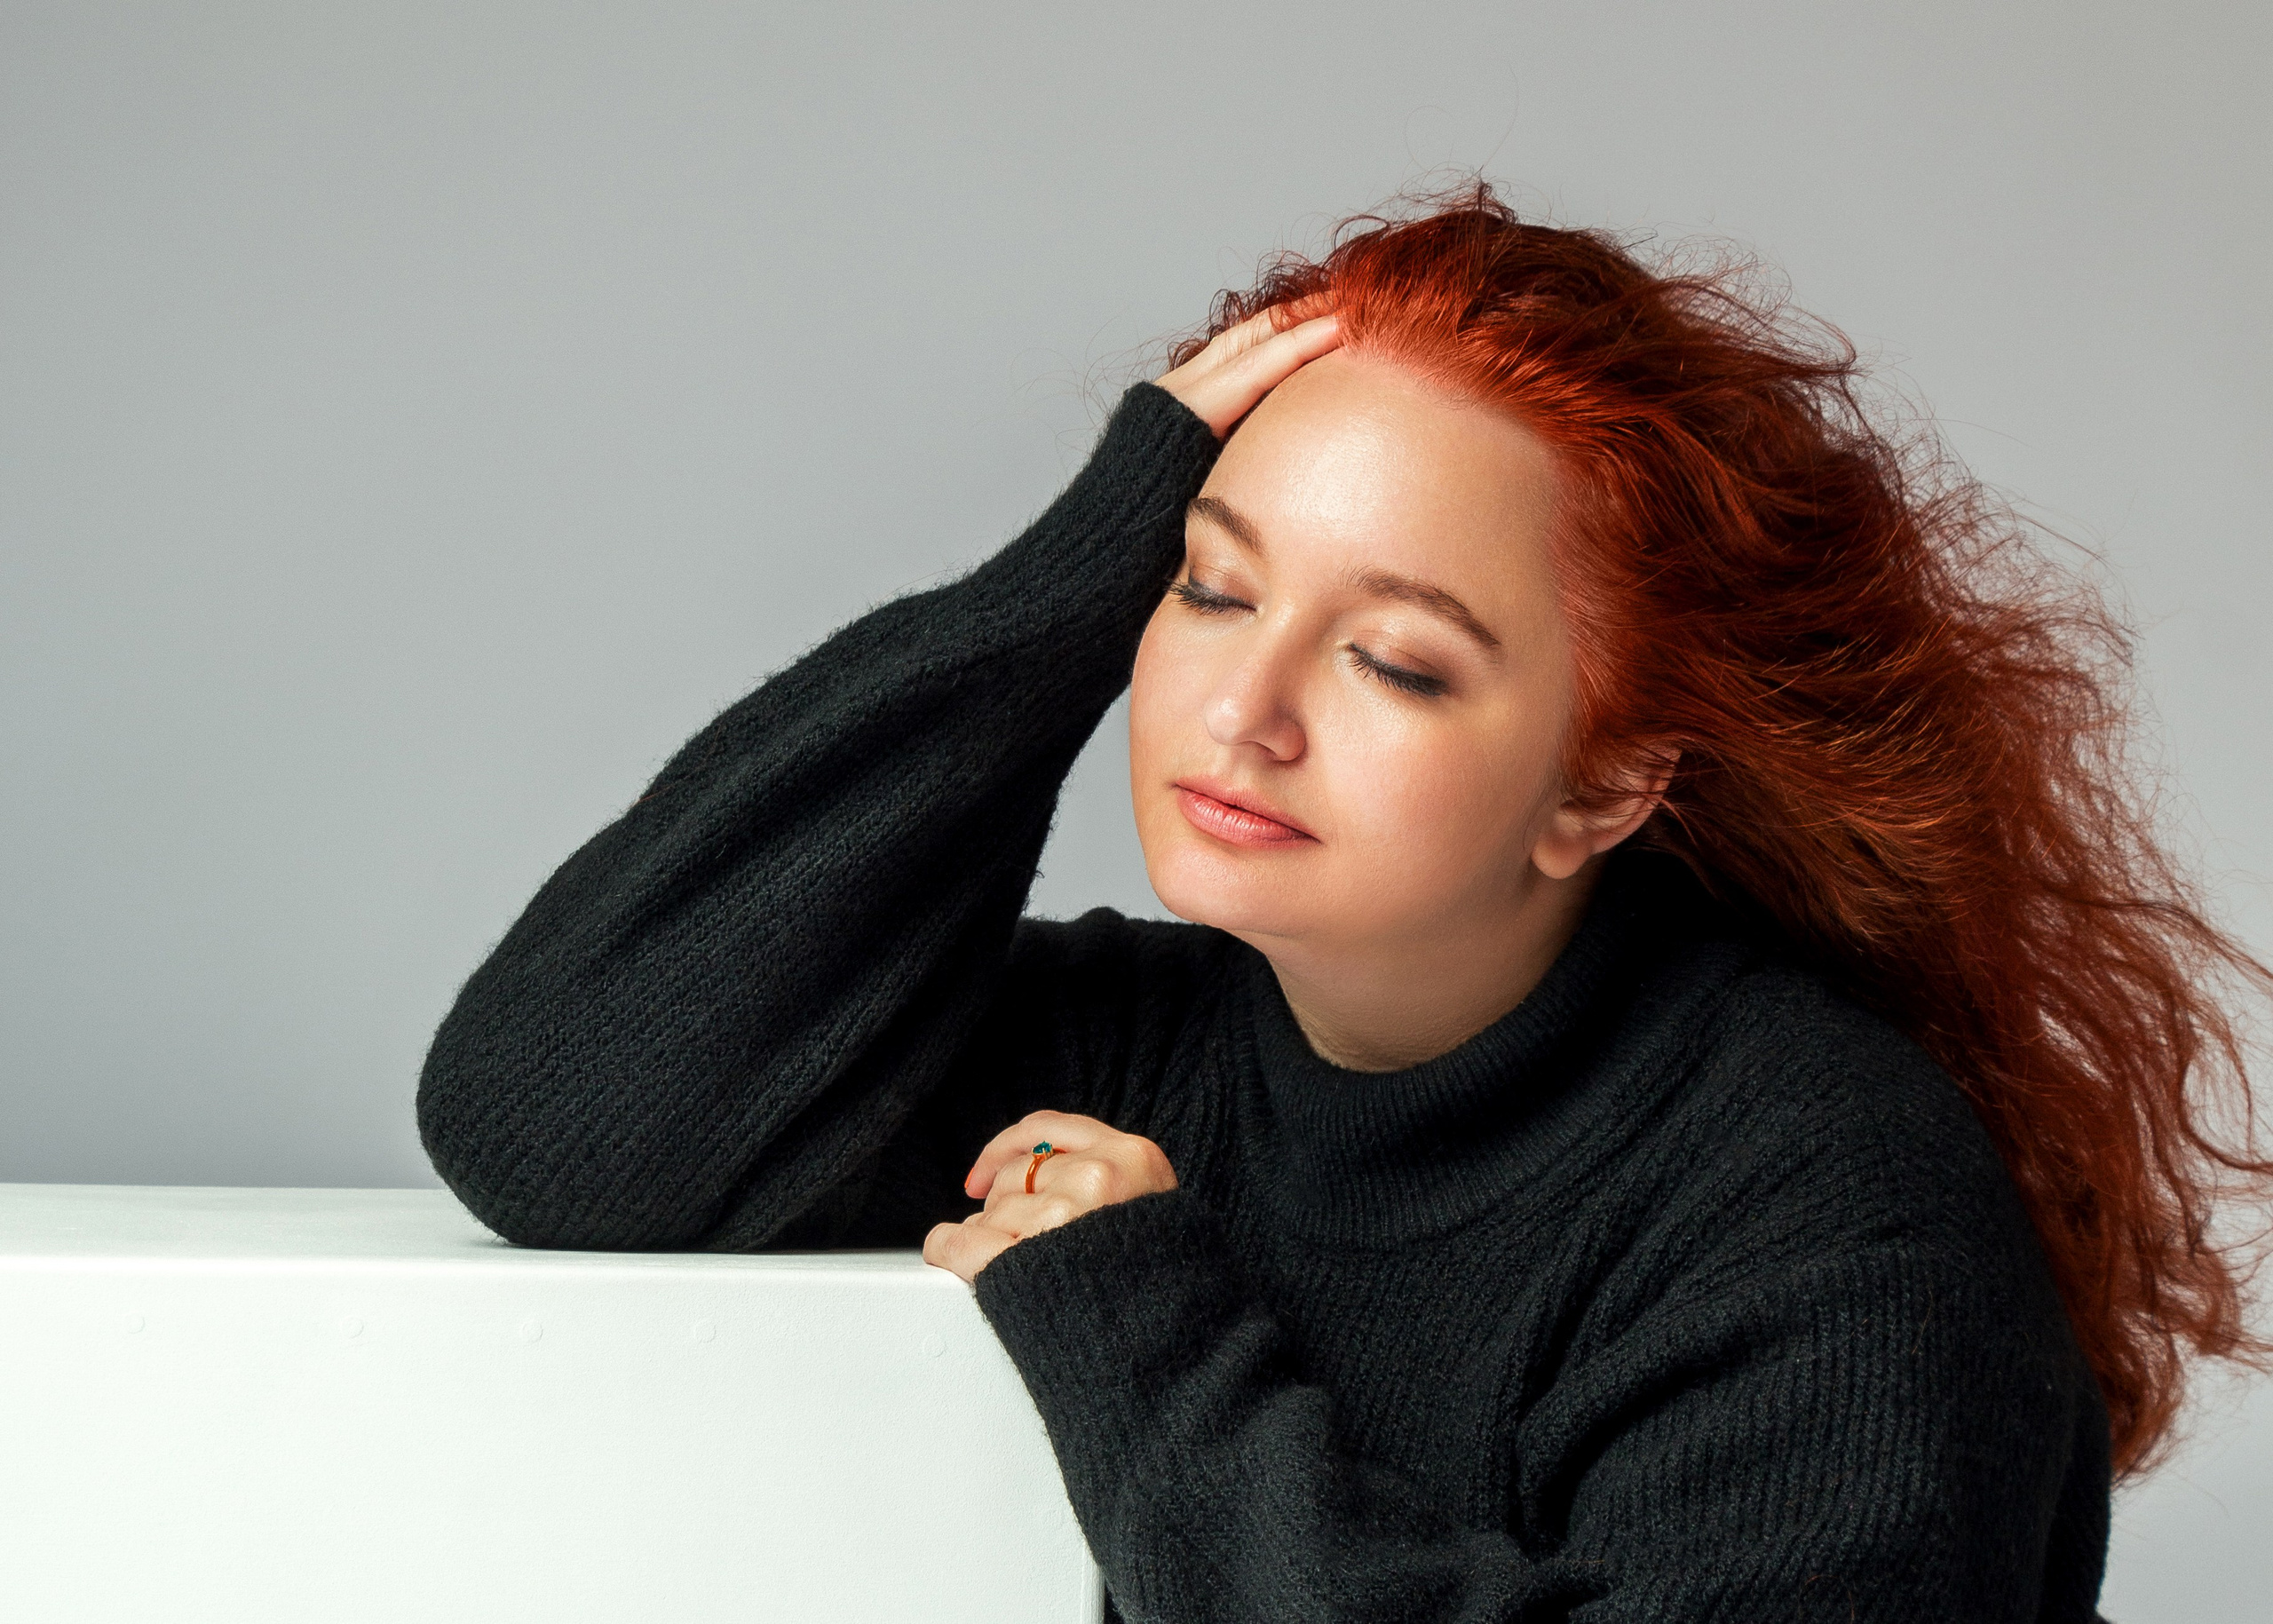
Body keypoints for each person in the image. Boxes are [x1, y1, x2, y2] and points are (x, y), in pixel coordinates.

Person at [416, 186, 2272, 1621]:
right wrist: (1066, 581)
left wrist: (1150, 1352)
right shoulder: (1143, 1058)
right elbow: (558, 1117)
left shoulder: (1826, 1201)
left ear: (1603, 785)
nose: (1242, 710)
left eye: (1390, 659)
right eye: (1210, 591)